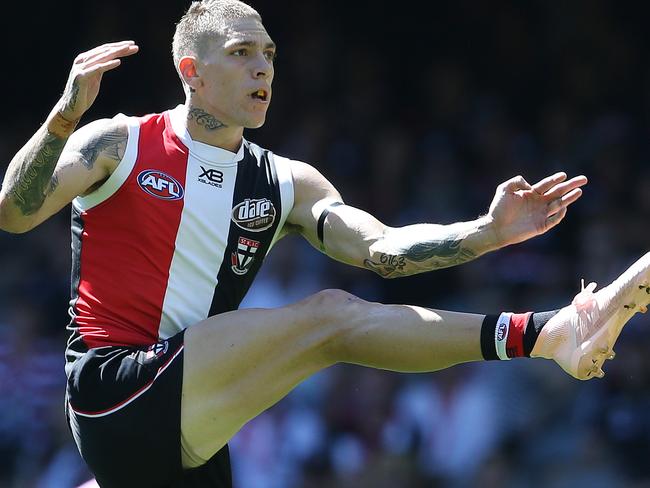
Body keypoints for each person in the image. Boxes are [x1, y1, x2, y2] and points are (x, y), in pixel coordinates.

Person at [0, 1, 648, 486]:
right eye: (243, 52)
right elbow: (14, 213)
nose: (263, 68)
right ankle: (550, 333)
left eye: (271, 55)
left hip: (190, 426)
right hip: (115, 389)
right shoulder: (118, 141)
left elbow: (384, 249)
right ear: (191, 71)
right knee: (332, 318)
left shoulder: (287, 182)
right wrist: (62, 119)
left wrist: (484, 232)